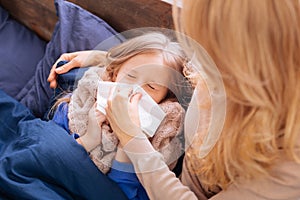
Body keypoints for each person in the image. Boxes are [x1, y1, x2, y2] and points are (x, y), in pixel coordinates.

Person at [48, 0, 300, 199]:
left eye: (216, 50)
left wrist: (132, 139)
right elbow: (172, 64)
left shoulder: (290, 167)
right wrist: (103, 58)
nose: (207, 59)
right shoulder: (215, 71)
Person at [49, 32, 190, 200]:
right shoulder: (77, 108)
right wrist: (87, 139)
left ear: (166, 98)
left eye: (151, 87)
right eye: (130, 76)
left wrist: (126, 149)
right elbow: (48, 157)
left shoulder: (162, 143)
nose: (134, 90)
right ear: (114, 74)